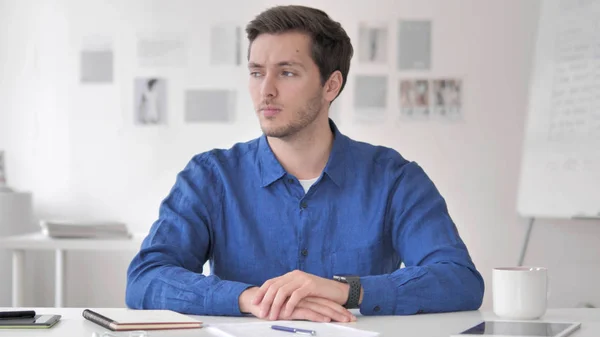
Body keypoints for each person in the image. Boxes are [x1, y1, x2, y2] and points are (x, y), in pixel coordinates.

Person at [126, 5, 484, 322]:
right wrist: (250, 299)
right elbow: (146, 278)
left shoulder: (394, 179)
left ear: (331, 86)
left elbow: (458, 279)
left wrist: (345, 290)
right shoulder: (210, 177)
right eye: (256, 72)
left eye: (287, 73)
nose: (266, 90)